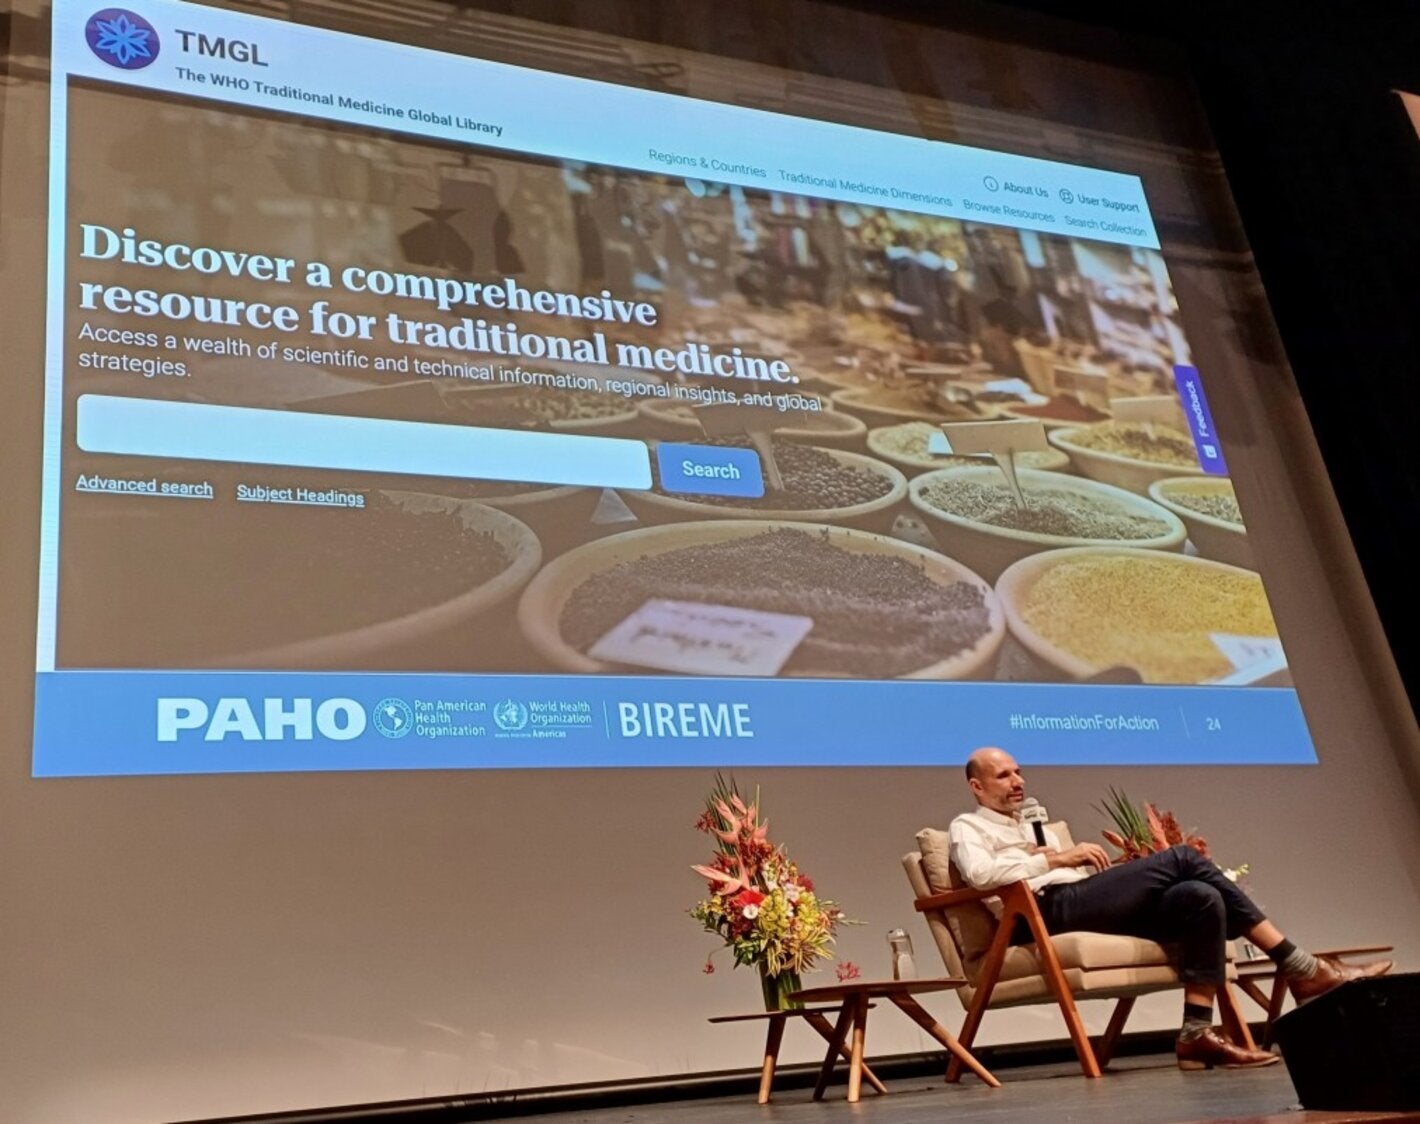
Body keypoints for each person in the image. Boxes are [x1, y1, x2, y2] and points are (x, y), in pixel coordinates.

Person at [950, 747, 1393, 1071]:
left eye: (1019, 772)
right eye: (1004, 775)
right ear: (977, 785)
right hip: (1039, 913)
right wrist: (1053, 858)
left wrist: (1085, 866)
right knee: (1183, 859)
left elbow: (1070, 871)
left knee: (1201, 898)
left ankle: (1195, 1032)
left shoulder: (1033, 824)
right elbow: (981, 874)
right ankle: (1300, 966)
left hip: (1079, 900)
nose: (1017, 781)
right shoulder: (967, 826)